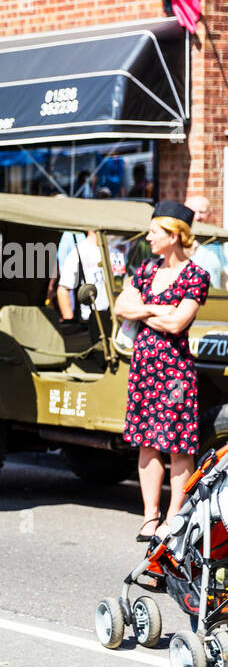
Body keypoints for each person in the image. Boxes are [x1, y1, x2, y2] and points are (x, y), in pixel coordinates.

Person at [116, 200, 210, 539]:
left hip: (174, 371)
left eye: (155, 231)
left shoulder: (196, 275)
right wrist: (156, 309)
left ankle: (173, 517)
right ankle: (149, 516)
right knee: (146, 442)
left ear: (173, 235)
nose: (149, 237)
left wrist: (139, 309)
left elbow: (177, 323)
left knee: (178, 445)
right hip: (143, 367)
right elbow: (120, 306)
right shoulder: (145, 270)